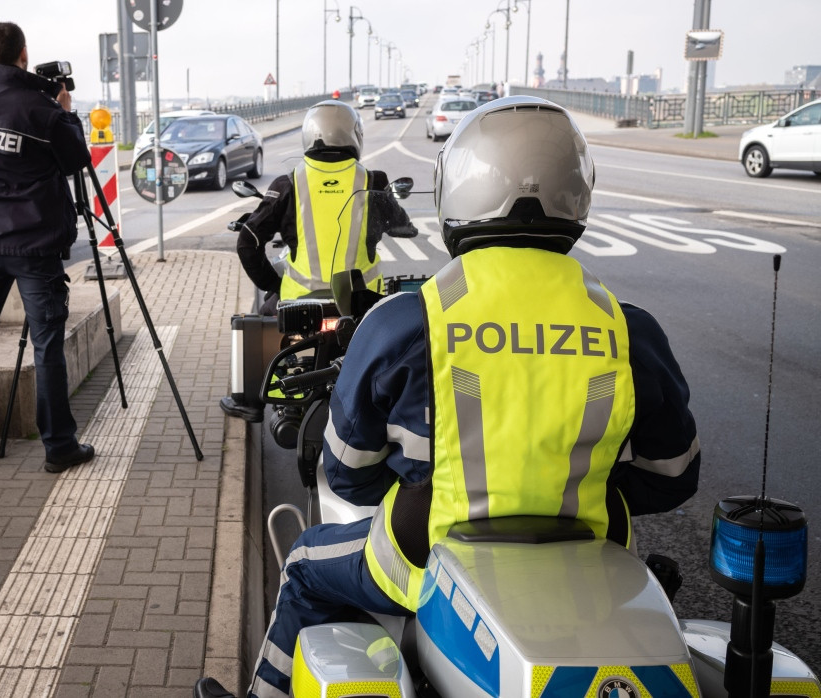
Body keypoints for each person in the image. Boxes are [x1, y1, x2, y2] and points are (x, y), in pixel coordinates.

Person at [195, 96, 702, 698]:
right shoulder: (627, 328)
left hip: (427, 554)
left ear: (455, 190)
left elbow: (348, 475)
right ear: (579, 190)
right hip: (588, 562)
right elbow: (674, 477)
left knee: (306, 563)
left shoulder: (409, 322)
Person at [0, 21, 95, 473]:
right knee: (46, 345)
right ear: (24, 54)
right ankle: (59, 447)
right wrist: (64, 111)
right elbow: (76, 161)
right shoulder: (43, 111)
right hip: (34, 244)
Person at [218, 99, 417, 422]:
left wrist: (274, 284)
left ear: (309, 135)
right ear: (354, 135)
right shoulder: (372, 182)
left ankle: (251, 402)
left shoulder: (289, 183)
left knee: (258, 323)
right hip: (362, 304)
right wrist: (395, 224)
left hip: (300, 306)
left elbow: (248, 242)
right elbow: (402, 226)